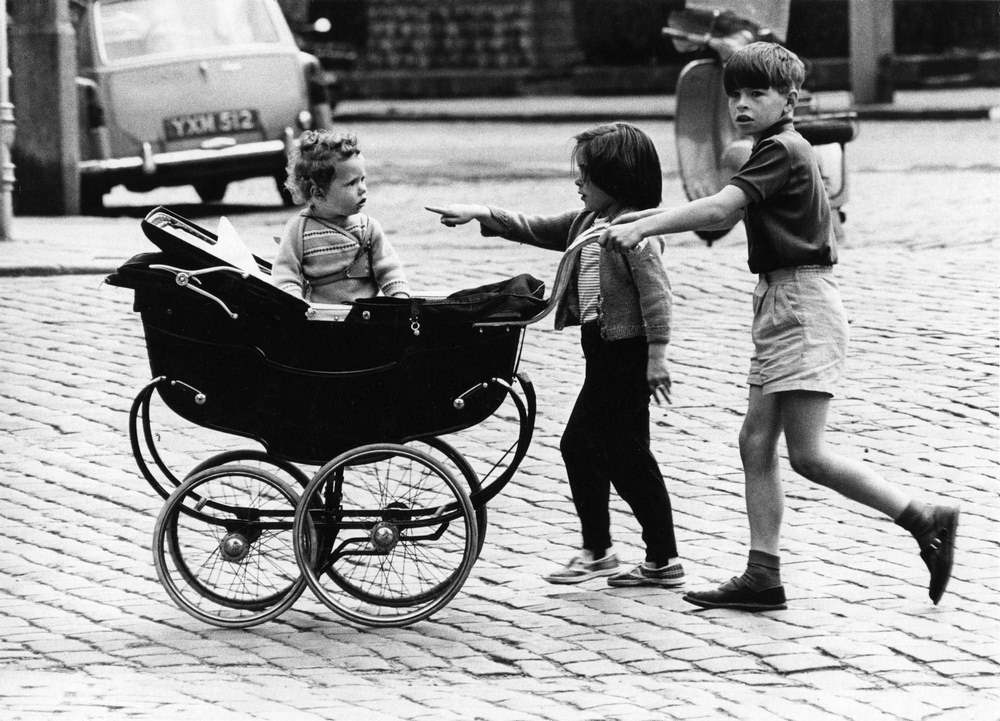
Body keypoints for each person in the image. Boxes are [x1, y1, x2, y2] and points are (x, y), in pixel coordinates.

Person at [600, 42, 958, 610]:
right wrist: (639, 218)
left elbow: (719, 211)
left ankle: (922, 516)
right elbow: (723, 203)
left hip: (800, 304)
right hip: (782, 301)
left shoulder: (783, 149)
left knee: (808, 456)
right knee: (755, 440)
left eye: (755, 94)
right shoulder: (775, 149)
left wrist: (643, 229)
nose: (741, 104)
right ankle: (763, 575)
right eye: (734, 95)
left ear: (789, 98)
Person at [427, 122, 684, 589]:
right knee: (617, 452)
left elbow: (657, 297)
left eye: (586, 174)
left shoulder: (634, 231)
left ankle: (621, 553)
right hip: (601, 350)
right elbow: (533, 227)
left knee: (601, 450)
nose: (578, 182)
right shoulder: (587, 223)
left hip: (627, 353)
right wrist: (478, 212)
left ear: (618, 177)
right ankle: (632, 554)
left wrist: (658, 357)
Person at [272, 130, 409, 303]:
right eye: (352, 183)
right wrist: (296, 305)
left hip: (365, 316)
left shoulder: (368, 227)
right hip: (321, 318)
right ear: (319, 193)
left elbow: (389, 269)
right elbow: (285, 275)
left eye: (363, 179)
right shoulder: (299, 230)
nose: (362, 188)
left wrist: (400, 298)